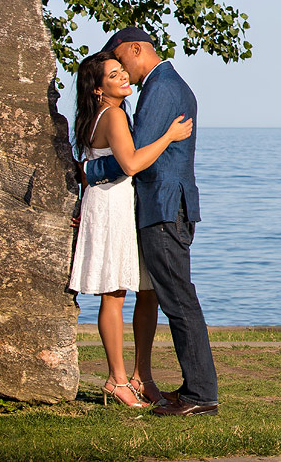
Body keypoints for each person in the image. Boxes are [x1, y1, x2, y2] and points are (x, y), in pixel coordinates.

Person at [83, 27, 220, 417]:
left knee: (178, 299)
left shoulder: (160, 89)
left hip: (162, 207)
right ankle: (194, 389)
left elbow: (136, 156)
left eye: (120, 61)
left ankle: (200, 395)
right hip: (168, 205)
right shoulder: (168, 85)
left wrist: (89, 171)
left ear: (135, 49)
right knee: (174, 297)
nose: (122, 71)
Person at [70, 52, 193, 408]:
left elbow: (94, 166)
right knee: (114, 292)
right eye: (113, 75)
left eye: (122, 70)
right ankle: (117, 379)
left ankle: (142, 376)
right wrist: (169, 135)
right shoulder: (112, 115)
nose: (124, 76)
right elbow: (132, 163)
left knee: (146, 290)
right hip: (111, 207)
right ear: (97, 89)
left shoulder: (107, 114)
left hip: (117, 204)